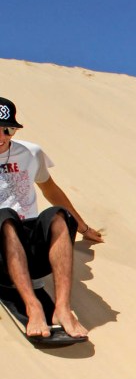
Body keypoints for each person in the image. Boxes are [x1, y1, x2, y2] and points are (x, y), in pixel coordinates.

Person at [0, 97, 103, 339]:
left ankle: (63, 309)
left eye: (8, 129)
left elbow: (51, 190)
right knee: (5, 216)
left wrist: (82, 227)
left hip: (31, 250)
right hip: (1, 248)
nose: (2, 136)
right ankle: (33, 306)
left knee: (58, 215)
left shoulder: (30, 153)